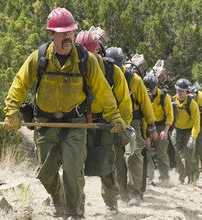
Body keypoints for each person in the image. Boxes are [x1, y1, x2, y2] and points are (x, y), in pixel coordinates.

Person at [2, 8, 126, 219]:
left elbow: (103, 90)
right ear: (51, 34)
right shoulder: (39, 57)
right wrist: (12, 110)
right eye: (62, 33)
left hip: (75, 124)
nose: (67, 37)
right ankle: (57, 197)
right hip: (45, 124)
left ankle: (75, 214)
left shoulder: (86, 59)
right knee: (46, 173)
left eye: (70, 32)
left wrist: (115, 116)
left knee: (73, 173)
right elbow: (19, 83)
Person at [76, 29, 132, 215]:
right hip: (77, 121)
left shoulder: (112, 71)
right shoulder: (71, 68)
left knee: (107, 166)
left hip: (105, 123)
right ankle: (76, 206)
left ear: (98, 52)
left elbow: (124, 101)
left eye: (89, 54)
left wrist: (124, 128)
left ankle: (111, 204)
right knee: (73, 166)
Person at [106, 47, 157, 206]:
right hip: (113, 121)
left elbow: (145, 103)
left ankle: (136, 192)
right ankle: (123, 194)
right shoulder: (104, 77)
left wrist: (151, 125)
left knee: (133, 154)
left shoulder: (134, 79)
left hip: (132, 121)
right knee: (117, 159)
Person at [143, 74, 174, 184]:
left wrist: (165, 131)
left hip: (161, 125)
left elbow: (170, 115)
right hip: (147, 124)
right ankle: (148, 177)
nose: (149, 92)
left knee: (162, 153)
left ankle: (165, 178)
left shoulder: (164, 96)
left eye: (151, 90)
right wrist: (147, 135)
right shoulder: (144, 95)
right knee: (145, 150)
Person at [171, 78, 200, 184]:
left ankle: (193, 178)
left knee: (189, 156)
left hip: (189, 131)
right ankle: (182, 175)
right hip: (177, 130)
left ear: (186, 92)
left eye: (182, 91)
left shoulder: (192, 104)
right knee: (175, 153)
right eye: (178, 90)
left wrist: (193, 137)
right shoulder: (173, 101)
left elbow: (196, 123)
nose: (179, 93)